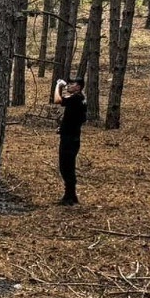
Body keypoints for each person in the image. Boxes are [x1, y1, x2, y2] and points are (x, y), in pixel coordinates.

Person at [53, 77, 86, 206]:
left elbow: (57, 100)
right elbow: (77, 118)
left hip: (70, 139)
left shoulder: (76, 99)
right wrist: (63, 128)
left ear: (78, 87)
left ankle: (69, 196)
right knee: (68, 166)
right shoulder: (81, 99)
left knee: (66, 167)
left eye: (72, 84)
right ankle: (71, 195)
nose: (69, 86)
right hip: (72, 136)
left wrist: (58, 86)